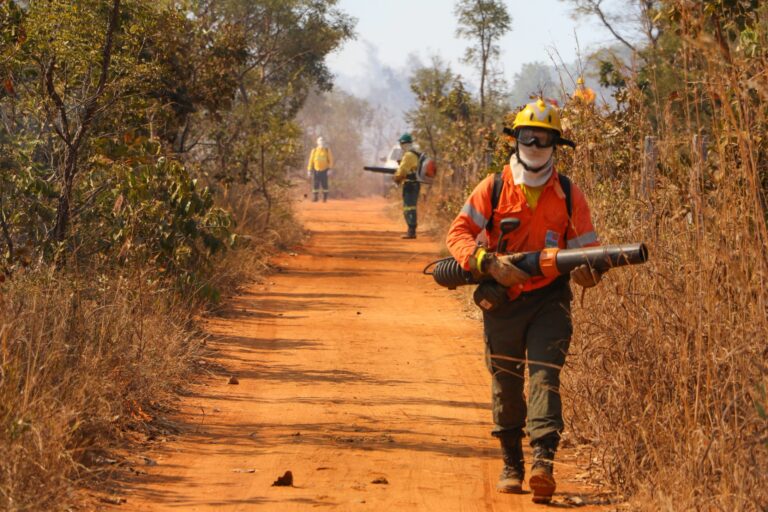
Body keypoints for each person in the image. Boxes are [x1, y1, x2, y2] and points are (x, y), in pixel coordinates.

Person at [445, 99, 602, 504]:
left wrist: (591, 272)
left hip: (551, 298)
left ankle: (543, 462)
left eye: (543, 136)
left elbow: (588, 249)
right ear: (515, 139)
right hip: (503, 300)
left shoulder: (568, 193)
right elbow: (458, 233)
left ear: (555, 142)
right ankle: (512, 463)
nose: (534, 143)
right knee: (506, 382)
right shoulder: (492, 187)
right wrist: (486, 263)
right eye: (527, 135)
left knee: (545, 375)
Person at [392, 132, 420, 239]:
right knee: (410, 207)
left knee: (409, 208)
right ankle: (411, 230)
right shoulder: (414, 154)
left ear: (403, 144)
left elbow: (402, 171)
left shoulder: (408, 155)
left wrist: (396, 178)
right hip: (413, 184)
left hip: (410, 185)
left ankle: (411, 231)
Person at [307, 136, 333, 202]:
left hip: (325, 170)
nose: (321, 142)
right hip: (316, 170)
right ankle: (315, 197)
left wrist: (330, 169)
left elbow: (331, 160)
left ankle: (325, 197)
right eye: (320, 141)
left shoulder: (327, 150)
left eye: (322, 141)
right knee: (316, 184)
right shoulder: (314, 151)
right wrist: (309, 170)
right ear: (317, 142)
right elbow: (311, 161)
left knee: (325, 184)